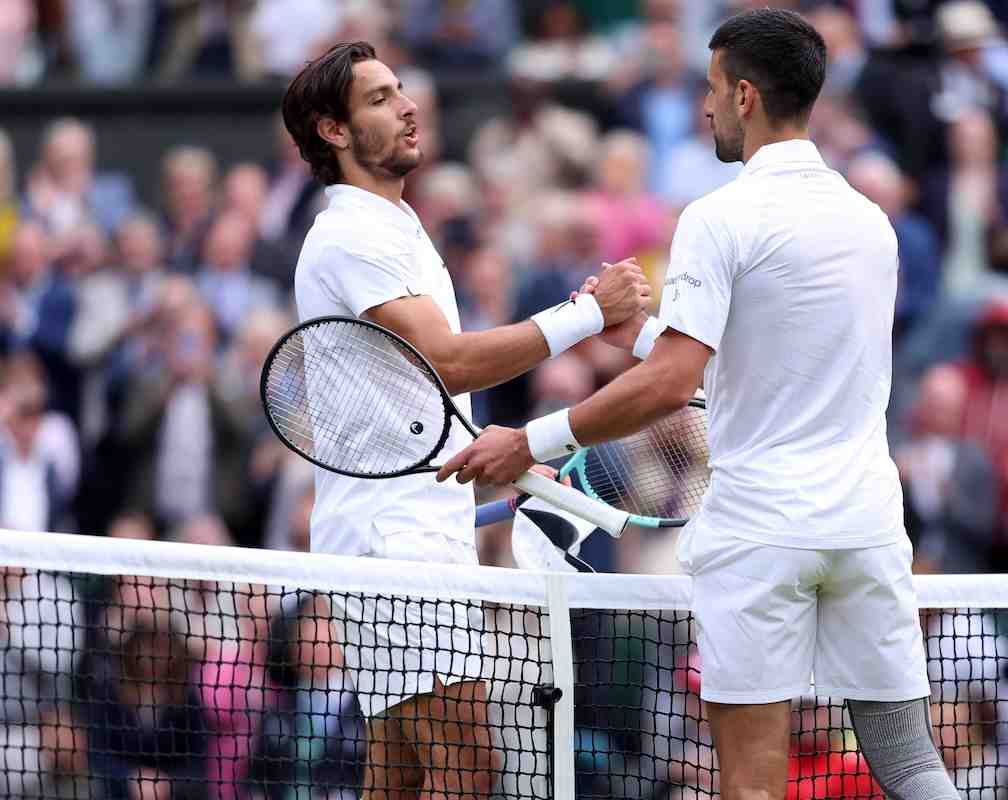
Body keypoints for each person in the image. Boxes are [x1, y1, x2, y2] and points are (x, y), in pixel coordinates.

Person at [438, 10, 958, 800]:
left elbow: (673, 386)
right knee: (912, 765)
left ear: (745, 96)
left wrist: (529, 442)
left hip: (761, 535)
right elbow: (767, 375)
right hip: (866, 527)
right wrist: (643, 337)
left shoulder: (719, 218)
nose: (704, 106)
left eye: (712, 88)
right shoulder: (871, 224)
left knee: (751, 787)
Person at [280, 41, 650, 800]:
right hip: (394, 540)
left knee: (398, 778)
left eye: (400, 90)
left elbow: (412, 400)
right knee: (467, 770)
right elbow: (445, 362)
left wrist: (506, 455)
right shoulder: (352, 235)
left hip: (401, 529)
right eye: (380, 99)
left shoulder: (395, 224)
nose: (408, 106)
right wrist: (587, 315)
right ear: (334, 131)